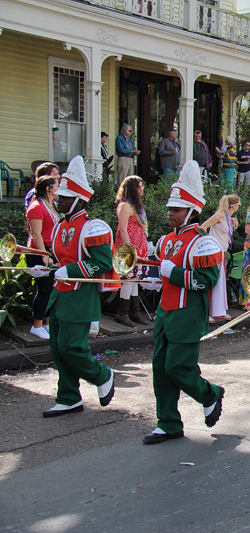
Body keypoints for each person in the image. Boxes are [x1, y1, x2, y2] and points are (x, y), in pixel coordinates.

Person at [143, 160, 225, 444]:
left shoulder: (203, 241)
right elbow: (164, 272)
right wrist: (156, 280)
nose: (170, 213)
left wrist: (174, 274)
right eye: (169, 209)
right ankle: (167, 422)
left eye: (176, 210)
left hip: (189, 314)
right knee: (160, 369)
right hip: (166, 314)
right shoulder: (165, 241)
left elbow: (207, 281)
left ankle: (210, 393)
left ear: (191, 211)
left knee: (178, 367)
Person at [43, 156, 116, 418]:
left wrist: (70, 270)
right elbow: (61, 259)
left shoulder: (93, 227)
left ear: (79, 199)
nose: (58, 200)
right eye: (58, 196)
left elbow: (103, 263)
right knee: (58, 349)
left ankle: (102, 375)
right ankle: (68, 397)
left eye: (64, 197)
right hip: (60, 294)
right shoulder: (61, 225)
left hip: (80, 295)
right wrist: (48, 268)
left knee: (72, 347)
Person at [25, 168, 61, 339]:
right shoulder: (36, 206)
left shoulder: (51, 205)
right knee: (44, 288)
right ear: (48, 188)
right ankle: (37, 324)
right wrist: (43, 254)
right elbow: (36, 233)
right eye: (56, 185)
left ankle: (47, 323)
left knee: (52, 288)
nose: (59, 187)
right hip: (38, 252)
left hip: (50, 251)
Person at [113, 176, 149, 327]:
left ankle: (134, 312)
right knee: (129, 280)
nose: (142, 188)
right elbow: (122, 228)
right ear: (133, 188)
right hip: (129, 248)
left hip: (139, 246)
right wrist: (129, 249)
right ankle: (122, 313)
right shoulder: (125, 205)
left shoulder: (135, 205)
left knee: (135, 280)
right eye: (140, 186)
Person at [200, 194, 240, 322]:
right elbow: (202, 227)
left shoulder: (227, 217)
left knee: (220, 281)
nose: (239, 206)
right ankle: (205, 312)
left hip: (221, 252)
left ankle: (218, 310)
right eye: (238, 204)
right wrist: (207, 243)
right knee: (212, 281)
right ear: (233, 205)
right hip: (213, 251)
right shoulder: (219, 215)